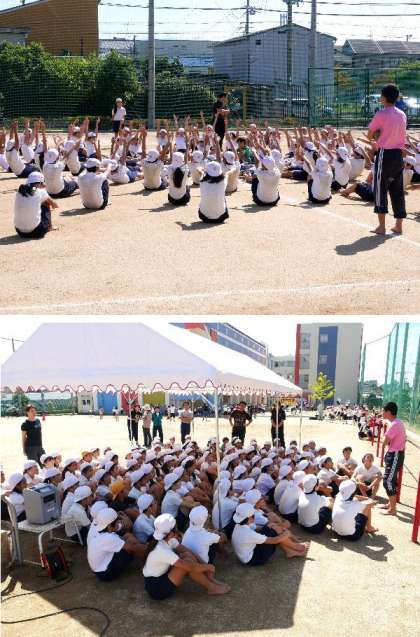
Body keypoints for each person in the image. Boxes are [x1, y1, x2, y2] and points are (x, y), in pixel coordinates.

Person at [143, 513, 230, 600]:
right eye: (175, 526)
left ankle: (210, 580)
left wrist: (204, 564)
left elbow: (187, 551)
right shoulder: (161, 550)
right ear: (171, 533)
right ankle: (211, 587)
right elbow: (191, 567)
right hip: (157, 588)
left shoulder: (167, 540)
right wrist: (209, 566)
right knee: (186, 565)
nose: (177, 528)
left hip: (162, 575)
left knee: (187, 555)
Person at [367, 83, 407, 235]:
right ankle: (398, 225)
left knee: (380, 188)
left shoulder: (381, 114)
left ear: (384, 97)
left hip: (385, 153)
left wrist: (377, 137)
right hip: (398, 154)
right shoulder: (402, 114)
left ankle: (381, 226)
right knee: (397, 189)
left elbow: (370, 134)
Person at [231, 503, 307, 566]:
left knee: (273, 528)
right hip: (254, 559)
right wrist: (286, 534)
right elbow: (274, 540)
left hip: (248, 552)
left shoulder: (239, 525)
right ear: (250, 518)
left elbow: (258, 529)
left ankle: (290, 551)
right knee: (275, 533)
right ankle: (296, 547)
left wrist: (270, 526)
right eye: (253, 515)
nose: (254, 516)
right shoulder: (247, 533)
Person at [87, 508, 146, 581]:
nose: (118, 524)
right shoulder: (109, 538)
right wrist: (149, 548)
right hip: (105, 573)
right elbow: (132, 547)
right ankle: (147, 560)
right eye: (117, 522)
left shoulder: (98, 531)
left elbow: (122, 537)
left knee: (128, 536)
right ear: (109, 526)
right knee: (131, 548)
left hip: (99, 568)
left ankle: (145, 558)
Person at [14, 172, 59, 239]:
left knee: (35, 204)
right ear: (39, 183)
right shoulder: (40, 191)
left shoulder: (19, 192)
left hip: (20, 232)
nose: (44, 185)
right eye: (42, 183)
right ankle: (50, 227)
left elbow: (30, 198)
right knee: (46, 204)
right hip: (37, 232)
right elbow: (54, 204)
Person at [380, 401, 406, 516]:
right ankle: (391, 504)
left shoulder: (395, 424)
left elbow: (385, 442)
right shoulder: (397, 422)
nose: (382, 413)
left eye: (384, 411)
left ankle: (393, 509)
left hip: (395, 455)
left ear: (389, 412)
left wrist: (384, 434)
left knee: (388, 481)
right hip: (395, 454)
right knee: (391, 480)